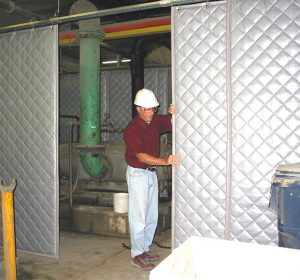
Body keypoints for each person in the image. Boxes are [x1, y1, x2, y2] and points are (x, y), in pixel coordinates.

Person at [123, 88, 180, 271]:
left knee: (151, 215)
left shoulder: (155, 120)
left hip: (150, 174)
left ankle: (144, 249)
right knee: (138, 216)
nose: (151, 112)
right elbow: (141, 156)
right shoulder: (132, 129)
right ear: (138, 108)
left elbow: (171, 122)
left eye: (153, 109)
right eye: (147, 109)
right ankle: (136, 254)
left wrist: (173, 113)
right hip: (138, 174)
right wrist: (165, 161)